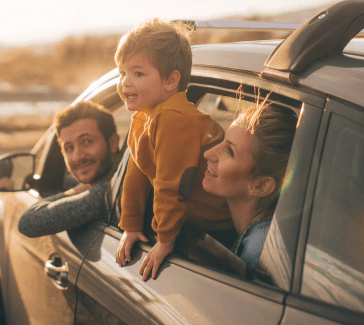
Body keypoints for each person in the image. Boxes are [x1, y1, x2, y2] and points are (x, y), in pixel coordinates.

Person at [114, 19, 232, 281]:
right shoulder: (145, 116)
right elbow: (137, 171)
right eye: (122, 73)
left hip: (220, 227)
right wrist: (131, 225)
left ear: (170, 81)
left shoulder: (172, 118)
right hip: (196, 222)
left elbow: (170, 185)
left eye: (138, 74)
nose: (125, 83)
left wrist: (165, 241)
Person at [202, 100, 298, 268]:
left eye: (229, 151)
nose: (208, 153)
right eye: (223, 140)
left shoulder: (258, 252)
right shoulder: (264, 233)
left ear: (261, 186)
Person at [18, 101, 121, 237]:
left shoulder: (110, 194)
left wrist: (79, 189)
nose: (77, 157)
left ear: (113, 142)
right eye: (69, 148)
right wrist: (83, 188)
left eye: (87, 141)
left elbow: (28, 222)